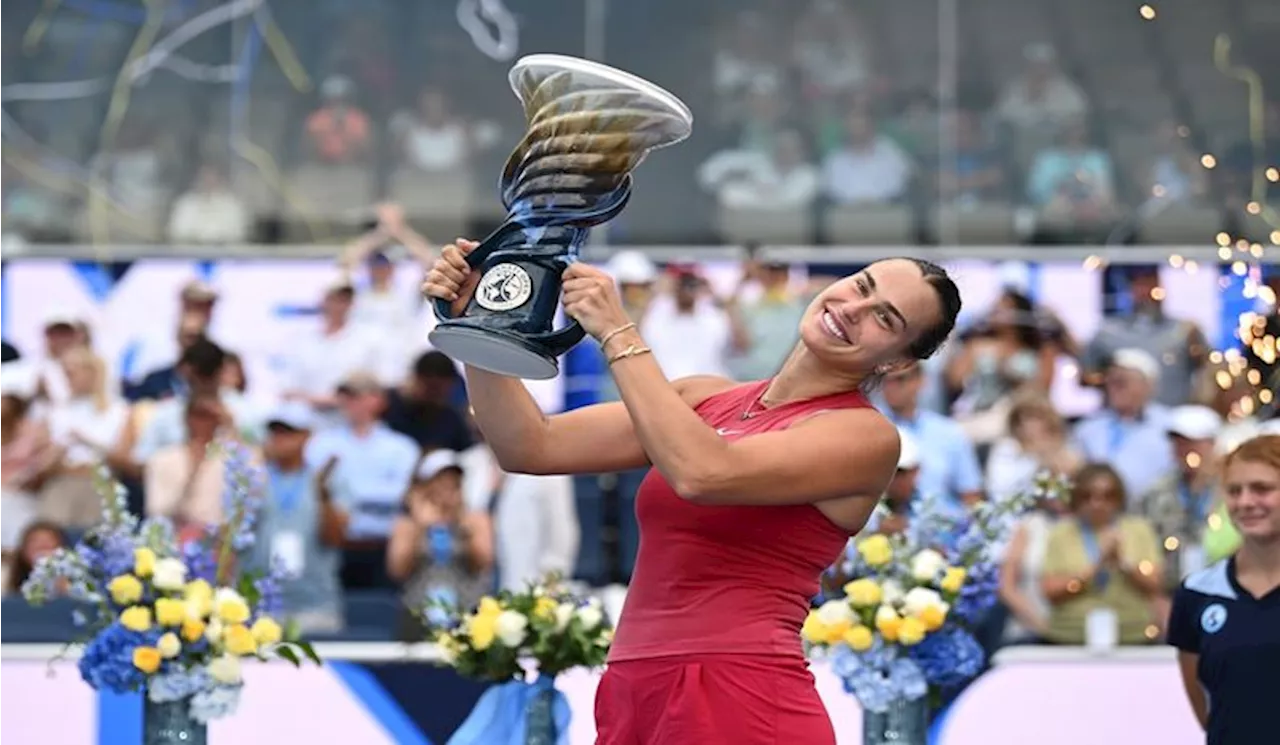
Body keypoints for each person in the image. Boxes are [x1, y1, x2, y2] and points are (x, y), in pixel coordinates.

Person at [423, 239, 961, 744]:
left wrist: (618, 331)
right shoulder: (706, 396)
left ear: (897, 362)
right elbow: (529, 447)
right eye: (862, 285)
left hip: (740, 693)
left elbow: (703, 473)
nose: (853, 308)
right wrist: (482, 324)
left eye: (884, 318)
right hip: (634, 687)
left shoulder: (864, 436)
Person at [1167, 435, 1280, 745]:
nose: (1245, 502)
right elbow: (1207, 709)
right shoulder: (1197, 594)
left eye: (1262, 489)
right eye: (1234, 491)